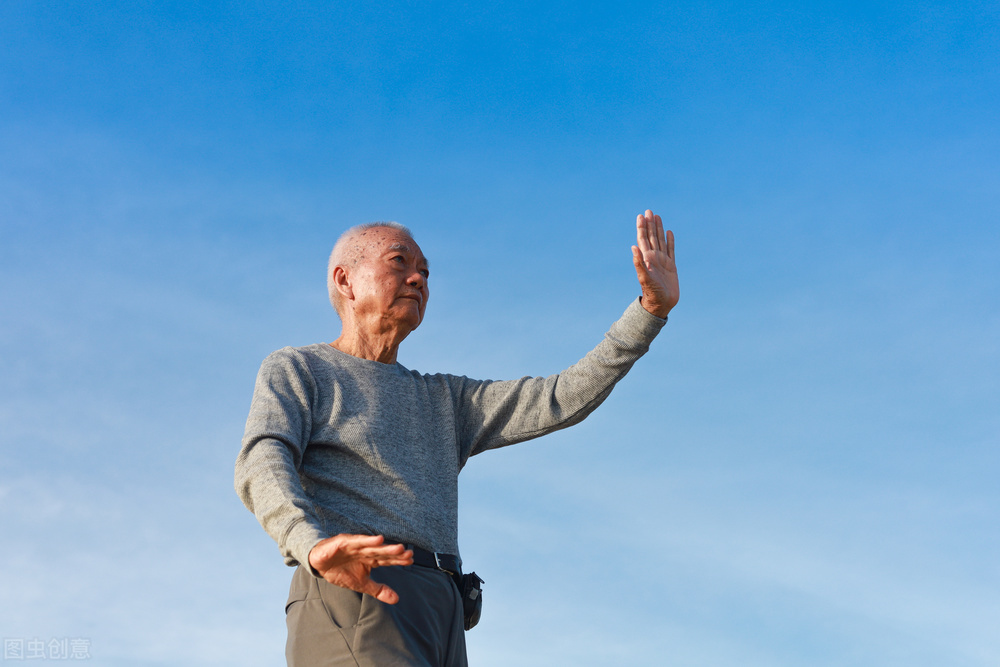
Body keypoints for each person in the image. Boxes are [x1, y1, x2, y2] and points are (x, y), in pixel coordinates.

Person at [235, 210, 679, 666]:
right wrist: (310, 543)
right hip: (357, 594)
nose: (417, 279)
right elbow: (261, 460)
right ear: (345, 280)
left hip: (444, 609)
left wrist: (649, 312)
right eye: (399, 262)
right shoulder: (301, 369)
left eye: (424, 272)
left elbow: (559, 397)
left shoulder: (445, 399)